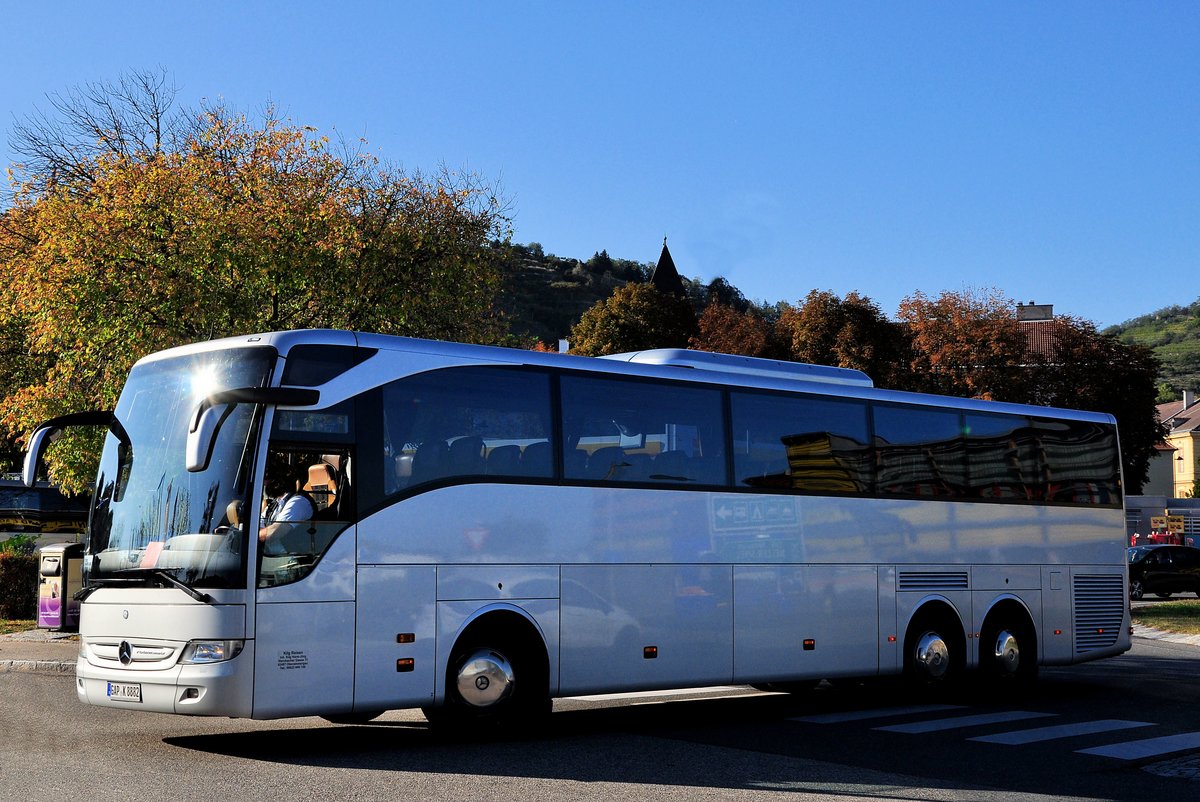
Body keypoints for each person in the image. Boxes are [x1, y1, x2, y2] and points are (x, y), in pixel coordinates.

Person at [259, 453, 315, 555]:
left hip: (292, 561)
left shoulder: (298, 502)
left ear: (278, 483)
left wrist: (247, 535)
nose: (265, 485)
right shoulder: (274, 504)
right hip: (272, 558)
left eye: (268, 481)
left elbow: (274, 532)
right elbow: (260, 523)